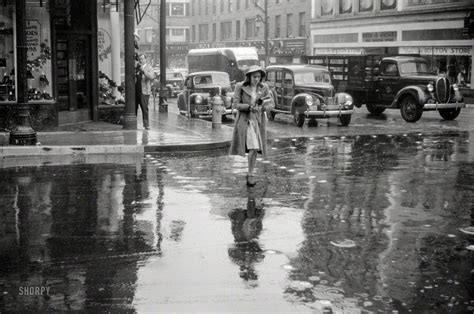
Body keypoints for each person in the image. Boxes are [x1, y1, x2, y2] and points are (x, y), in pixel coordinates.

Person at [229, 65, 275, 186]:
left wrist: (262, 106)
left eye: (259, 77)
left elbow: (271, 104)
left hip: (258, 122)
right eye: (254, 76)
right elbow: (236, 104)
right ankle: (250, 175)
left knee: (255, 149)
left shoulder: (264, 87)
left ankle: (250, 174)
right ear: (249, 76)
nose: (256, 79)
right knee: (254, 147)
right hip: (246, 121)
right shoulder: (240, 86)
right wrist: (249, 107)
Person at [135, 54, 155, 130]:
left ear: (145, 59)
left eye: (142, 59)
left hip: (144, 92)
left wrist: (143, 71)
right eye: (139, 59)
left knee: (144, 108)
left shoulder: (149, 68)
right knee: (134, 108)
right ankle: (134, 124)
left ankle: (146, 125)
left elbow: (151, 76)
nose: (140, 60)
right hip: (136, 91)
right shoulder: (137, 68)